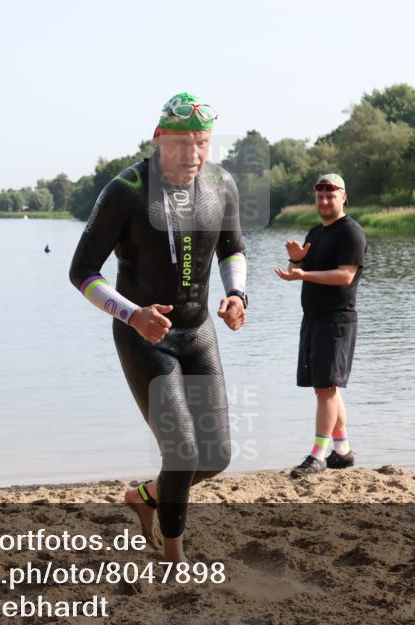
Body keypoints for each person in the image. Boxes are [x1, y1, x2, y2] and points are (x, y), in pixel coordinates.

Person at [69, 92, 247, 562]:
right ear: (158, 137)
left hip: (199, 332)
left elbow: (232, 248)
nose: (193, 154)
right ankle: (174, 559)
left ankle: (145, 497)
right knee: (182, 452)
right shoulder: (126, 191)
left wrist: (237, 294)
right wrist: (132, 314)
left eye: (202, 143)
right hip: (144, 336)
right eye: (182, 143)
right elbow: (81, 272)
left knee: (216, 457)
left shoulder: (221, 184)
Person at [275, 173, 366, 477]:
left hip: (337, 319)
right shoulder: (315, 232)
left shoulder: (351, 233)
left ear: (344, 197)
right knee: (325, 388)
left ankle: (318, 455)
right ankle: (342, 450)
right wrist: (297, 261)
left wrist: (304, 274)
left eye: (331, 195)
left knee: (326, 388)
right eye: (320, 196)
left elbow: (345, 276)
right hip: (313, 318)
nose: (325, 201)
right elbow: (298, 271)